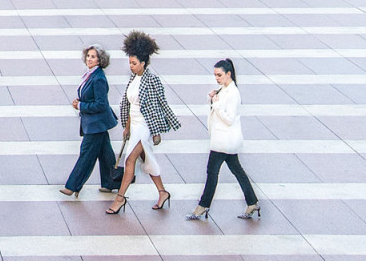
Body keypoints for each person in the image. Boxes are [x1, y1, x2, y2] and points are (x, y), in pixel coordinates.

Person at [106, 30, 180, 214]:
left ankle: (120, 198)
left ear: (143, 63)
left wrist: (157, 132)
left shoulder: (152, 80)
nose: (131, 66)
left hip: (146, 126)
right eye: (130, 63)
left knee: (130, 159)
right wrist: (128, 127)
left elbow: (159, 104)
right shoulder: (134, 78)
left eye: (134, 63)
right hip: (135, 125)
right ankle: (162, 192)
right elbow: (132, 105)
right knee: (146, 159)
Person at [186, 57, 260, 220]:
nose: (216, 78)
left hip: (223, 142)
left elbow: (229, 119)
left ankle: (203, 206)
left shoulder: (233, 93)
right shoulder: (224, 89)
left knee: (212, 173)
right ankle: (252, 202)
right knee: (237, 171)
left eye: (219, 75)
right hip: (225, 141)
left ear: (229, 74)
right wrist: (212, 98)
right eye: (215, 75)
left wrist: (216, 104)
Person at [59, 45, 118, 197]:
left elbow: (101, 104)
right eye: (88, 56)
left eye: (93, 57)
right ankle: (112, 182)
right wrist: (81, 100)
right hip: (96, 123)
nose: (89, 59)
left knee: (86, 154)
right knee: (106, 155)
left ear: (100, 60)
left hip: (96, 124)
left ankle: (72, 186)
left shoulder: (98, 78)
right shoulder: (90, 74)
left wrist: (80, 105)